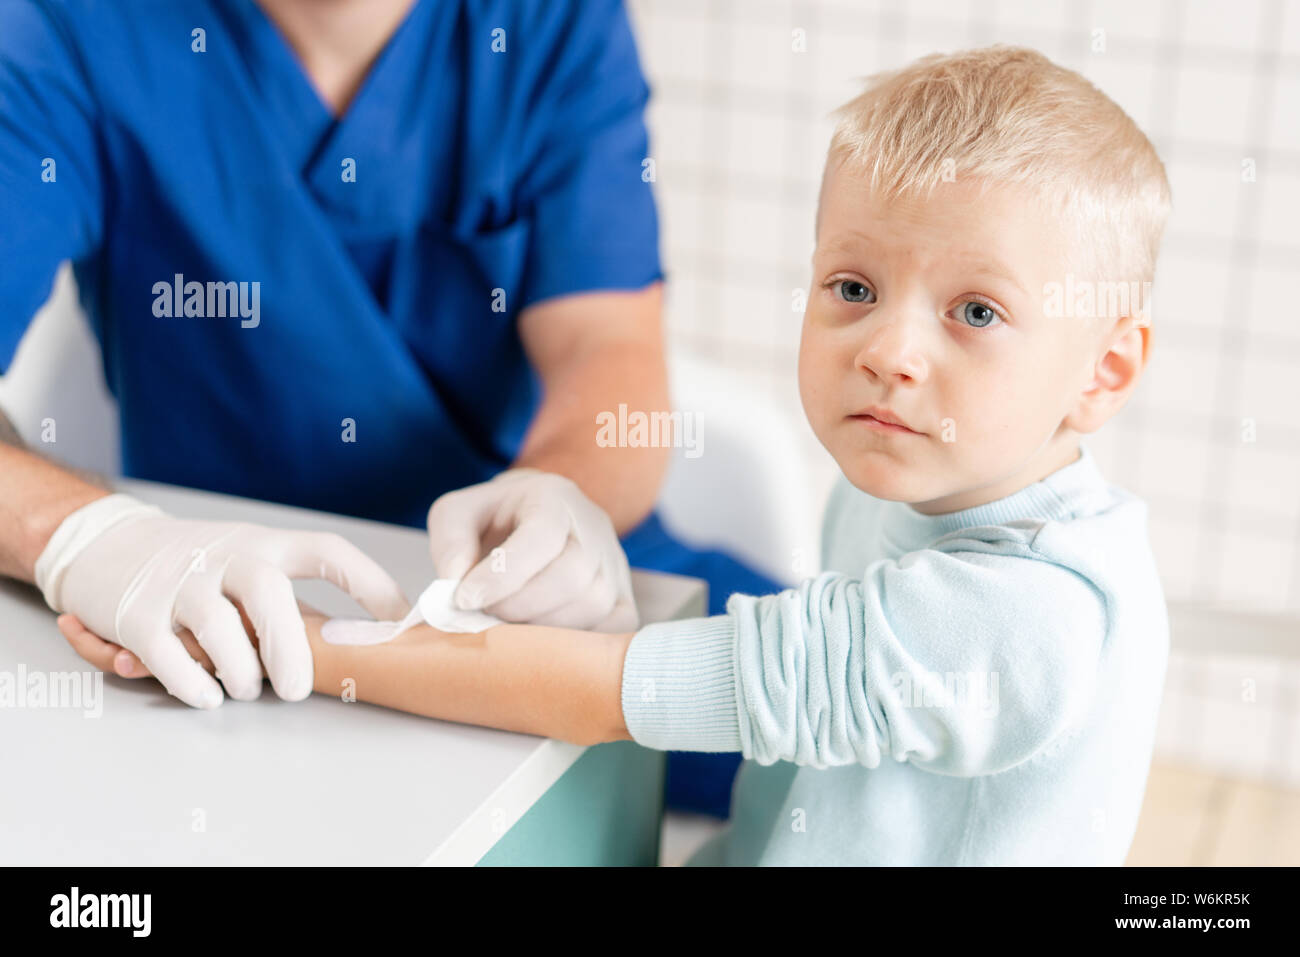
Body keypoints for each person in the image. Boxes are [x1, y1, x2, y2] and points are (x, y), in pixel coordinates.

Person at [65, 45, 1175, 864]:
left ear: (1104, 373)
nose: (888, 351)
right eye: (852, 287)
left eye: (975, 313)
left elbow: (608, 694)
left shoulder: (1023, 619)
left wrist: (289, 645)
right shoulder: (915, 481)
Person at [0, 0, 782, 818]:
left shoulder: (550, 23)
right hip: (207, 599)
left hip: (548, 580)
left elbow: (608, 347)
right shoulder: (74, 29)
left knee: (864, 762)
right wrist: (82, 537)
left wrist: (561, 501)